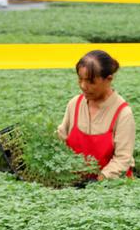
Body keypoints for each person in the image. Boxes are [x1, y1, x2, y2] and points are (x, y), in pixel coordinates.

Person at [57, 50, 135, 180]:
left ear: (108, 79)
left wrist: (99, 180)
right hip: (75, 183)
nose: (83, 86)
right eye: (80, 79)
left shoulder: (122, 113)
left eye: (90, 82)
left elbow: (122, 158)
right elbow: (60, 138)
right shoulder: (74, 104)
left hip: (112, 188)